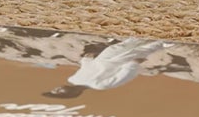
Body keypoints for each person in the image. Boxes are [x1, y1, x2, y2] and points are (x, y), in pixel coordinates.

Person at [41, 37, 169, 97]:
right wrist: (132, 64)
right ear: (74, 93)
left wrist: (86, 59)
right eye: (58, 92)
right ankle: (164, 42)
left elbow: (85, 69)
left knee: (121, 46)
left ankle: (142, 33)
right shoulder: (99, 85)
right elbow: (121, 77)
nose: (57, 89)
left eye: (54, 89)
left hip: (102, 58)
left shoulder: (73, 79)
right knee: (142, 50)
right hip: (117, 63)